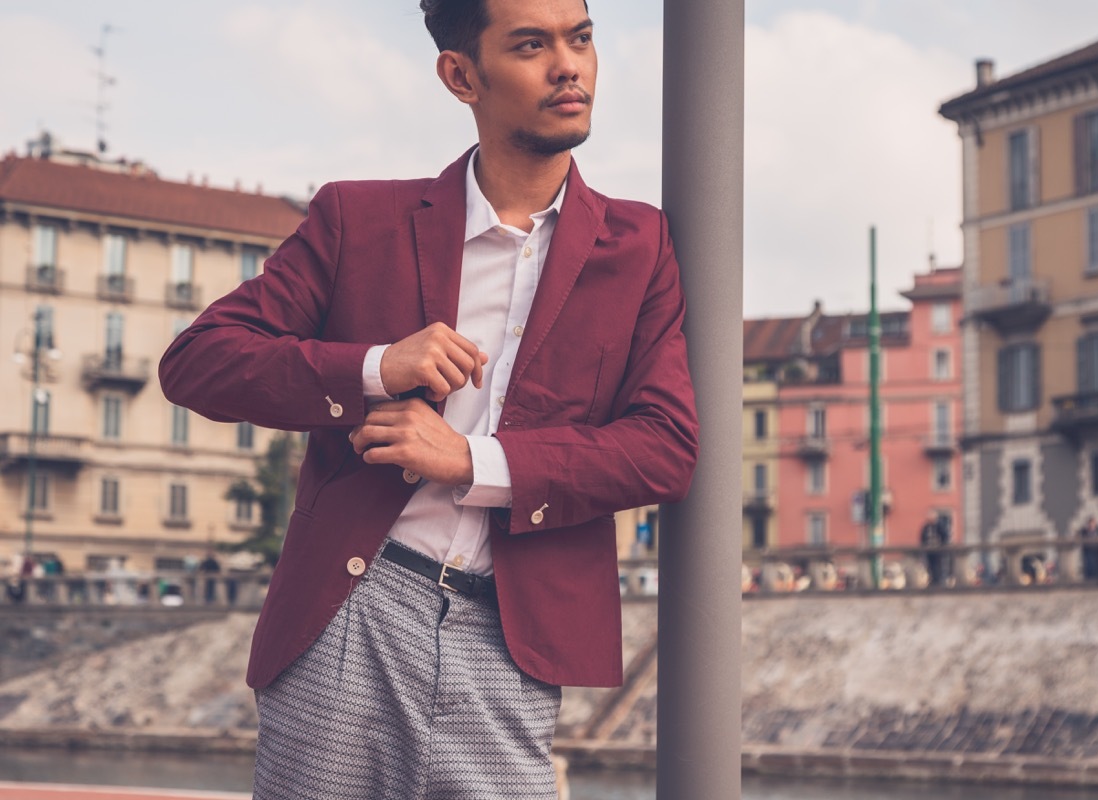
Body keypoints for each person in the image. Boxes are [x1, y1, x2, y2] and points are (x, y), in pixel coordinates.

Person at [158, 0, 699, 796]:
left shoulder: (640, 245)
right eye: (531, 45)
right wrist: (378, 366)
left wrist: (471, 461)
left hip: (514, 634)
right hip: (354, 604)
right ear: (460, 74)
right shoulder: (357, 218)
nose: (569, 65)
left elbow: (666, 447)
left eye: (580, 39)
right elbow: (198, 361)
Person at [919, 510, 949, 587]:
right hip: (929, 550)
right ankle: (932, 581)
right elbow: (922, 537)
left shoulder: (940, 526)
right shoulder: (926, 527)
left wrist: (942, 546)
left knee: (939, 565)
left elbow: (945, 536)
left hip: (938, 550)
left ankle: (939, 582)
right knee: (930, 565)